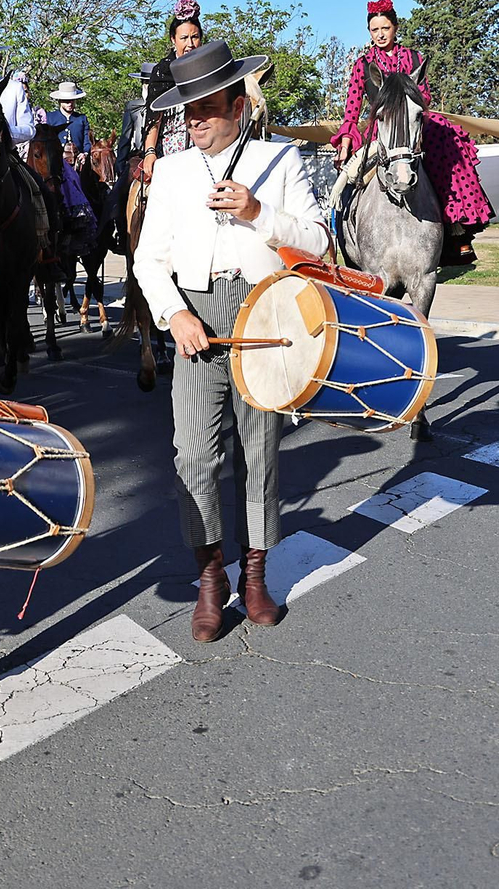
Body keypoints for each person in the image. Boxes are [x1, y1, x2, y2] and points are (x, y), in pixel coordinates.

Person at [133, 41, 330, 642]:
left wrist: (259, 212)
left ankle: (256, 575)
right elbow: (147, 260)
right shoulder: (169, 171)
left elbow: (317, 242)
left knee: (260, 450)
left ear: (239, 106)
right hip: (196, 318)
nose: (192, 121)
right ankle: (211, 578)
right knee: (193, 455)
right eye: (185, 110)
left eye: (207, 108)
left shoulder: (281, 159)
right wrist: (173, 316)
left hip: (262, 318)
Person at [331, 0, 493, 264]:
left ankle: (456, 232)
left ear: (395, 27)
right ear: (369, 32)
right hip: (382, 133)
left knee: (447, 143)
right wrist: (346, 141)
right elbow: (352, 107)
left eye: (385, 28)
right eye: (374, 30)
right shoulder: (363, 64)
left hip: (413, 129)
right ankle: (343, 235)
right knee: (349, 180)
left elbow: (424, 96)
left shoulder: (414, 58)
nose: (380, 34)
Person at [140, 0, 204, 181]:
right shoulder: (162, 72)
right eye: (184, 38)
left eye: (195, 37)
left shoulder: (208, 68)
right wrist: (150, 152)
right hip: (170, 150)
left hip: (204, 147)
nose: (190, 44)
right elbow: (154, 116)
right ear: (173, 39)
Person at [47, 81, 92, 156]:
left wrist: (85, 153)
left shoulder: (82, 119)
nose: (70, 104)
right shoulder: (50, 118)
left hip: (78, 161)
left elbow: (87, 140)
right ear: (60, 101)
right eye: (66, 101)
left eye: (72, 101)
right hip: (55, 160)